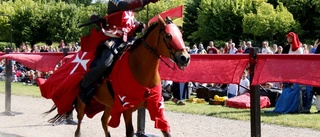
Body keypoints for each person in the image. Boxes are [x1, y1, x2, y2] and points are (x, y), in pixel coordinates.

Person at [79, 0, 160, 105]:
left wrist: (138, 25)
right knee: (105, 63)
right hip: (114, 38)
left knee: (146, 55)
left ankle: (153, 88)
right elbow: (126, 6)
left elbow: (131, 19)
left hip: (130, 38)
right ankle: (85, 86)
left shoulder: (130, 4)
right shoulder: (115, 1)